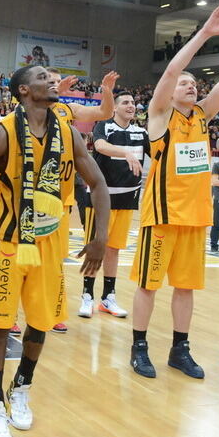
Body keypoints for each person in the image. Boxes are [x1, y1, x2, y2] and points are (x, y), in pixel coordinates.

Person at [0, 64, 110, 437]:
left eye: (52, 77)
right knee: (0, 325)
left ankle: (21, 385)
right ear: (24, 91)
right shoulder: (2, 132)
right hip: (8, 243)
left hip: (50, 243)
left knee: (40, 323)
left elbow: (98, 183)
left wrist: (100, 237)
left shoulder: (67, 131)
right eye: (43, 77)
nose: (52, 80)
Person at [130, 5, 219, 380]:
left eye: (194, 83)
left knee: (186, 288)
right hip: (163, 215)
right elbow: (169, 71)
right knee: (148, 286)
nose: (190, 85)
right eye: (185, 82)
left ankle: (180, 349)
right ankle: (139, 347)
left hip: (196, 216)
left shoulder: (201, 116)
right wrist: (204, 34)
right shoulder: (160, 115)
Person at [79, 89, 149, 320]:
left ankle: (108, 297)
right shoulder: (104, 125)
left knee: (114, 250)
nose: (131, 106)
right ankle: (87, 295)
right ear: (116, 107)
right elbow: (100, 146)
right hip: (101, 198)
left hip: (127, 199)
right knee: (96, 246)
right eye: (126, 102)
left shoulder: (141, 132)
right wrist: (126, 153)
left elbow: (159, 154)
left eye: (134, 102)